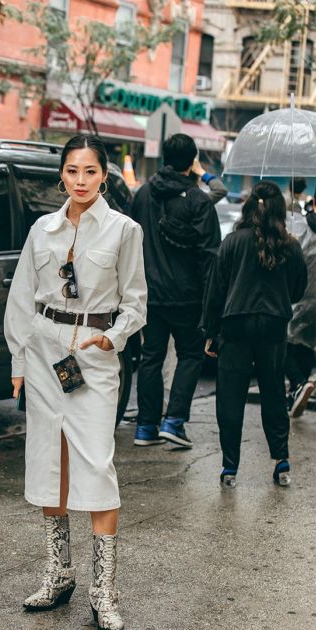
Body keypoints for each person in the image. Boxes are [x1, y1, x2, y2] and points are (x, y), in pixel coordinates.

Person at [3, 134, 147, 630]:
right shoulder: (43, 230)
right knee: (49, 461)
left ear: (105, 175)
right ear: (61, 175)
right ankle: (59, 573)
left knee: (96, 463)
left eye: (90, 171)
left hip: (93, 358)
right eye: (72, 171)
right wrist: (18, 358)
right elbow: (23, 297)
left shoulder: (125, 230)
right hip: (45, 353)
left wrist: (111, 338)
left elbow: (136, 302)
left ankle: (103, 592)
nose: (80, 181)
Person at [202, 181, 307, 489]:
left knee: (230, 396)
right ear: (279, 210)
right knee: (274, 391)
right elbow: (299, 289)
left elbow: (216, 290)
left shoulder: (233, 242)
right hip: (274, 325)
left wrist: (210, 331)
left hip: (235, 324)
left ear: (249, 207)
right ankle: (281, 460)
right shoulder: (291, 245)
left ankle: (230, 467)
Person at [131, 133, 221, 448]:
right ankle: (174, 420)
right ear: (192, 161)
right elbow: (211, 259)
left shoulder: (142, 195)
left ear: (164, 158)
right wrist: (213, 307)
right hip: (187, 296)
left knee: (150, 357)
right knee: (191, 354)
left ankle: (145, 427)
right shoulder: (199, 201)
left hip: (148, 294)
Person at [285, 191, 316, 417]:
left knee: (282, 344)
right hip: (312, 305)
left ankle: (297, 384)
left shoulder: (301, 229)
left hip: (296, 298)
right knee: (305, 344)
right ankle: (297, 390)